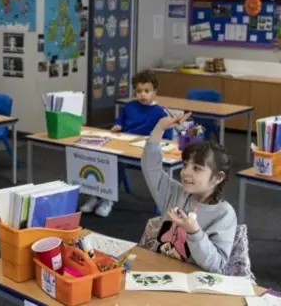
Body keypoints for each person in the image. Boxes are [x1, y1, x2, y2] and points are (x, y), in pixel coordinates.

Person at [141, 112, 237, 273]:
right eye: (185, 165)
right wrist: (160, 127)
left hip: (192, 284)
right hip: (160, 271)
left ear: (218, 178)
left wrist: (194, 232)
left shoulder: (224, 214)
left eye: (197, 169)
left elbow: (217, 265)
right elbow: (151, 167)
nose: (186, 173)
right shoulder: (175, 193)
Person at [81, 70, 168, 217]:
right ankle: (96, 195)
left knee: (116, 163)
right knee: (101, 158)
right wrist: (118, 126)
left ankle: (108, 198)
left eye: (147, 91)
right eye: (139, 91)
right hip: (124, 143)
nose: (143, 95)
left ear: (155, 92)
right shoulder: (129, 107)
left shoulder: (159, 112)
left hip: (143, 148)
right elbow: (120, 120)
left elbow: (163, 133)